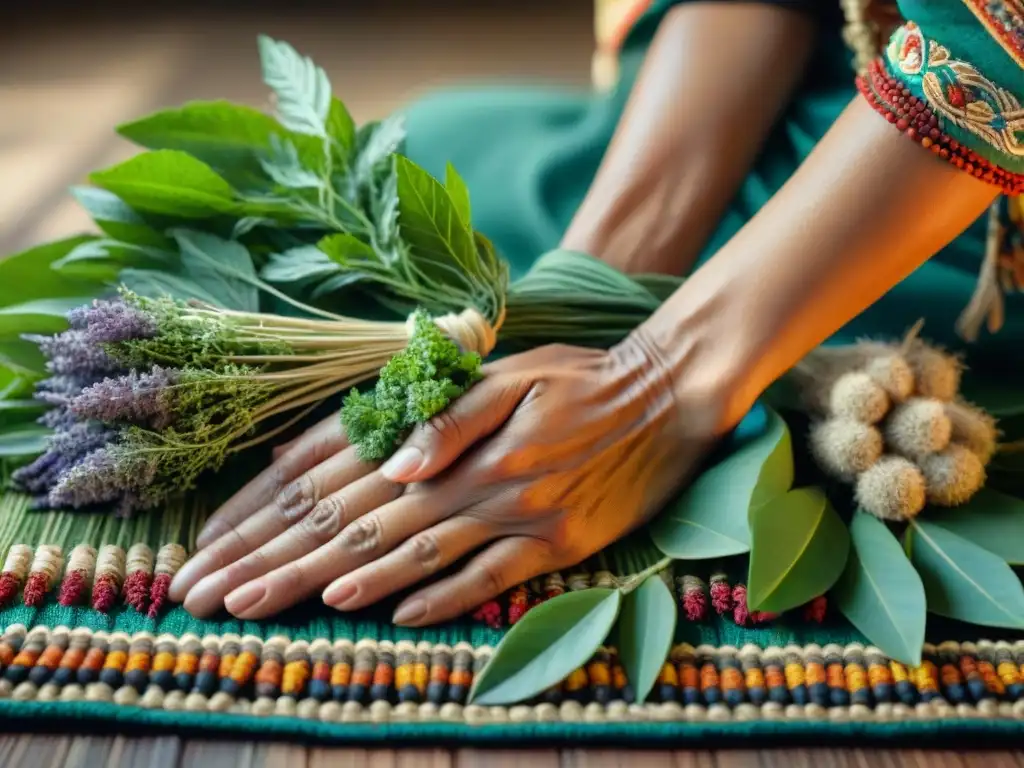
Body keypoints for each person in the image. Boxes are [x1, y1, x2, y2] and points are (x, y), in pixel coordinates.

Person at [169, 0, 1024, 623]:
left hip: (976, 191)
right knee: (419, 152)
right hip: (842, 73)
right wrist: (596, 285)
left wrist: (662, 379)